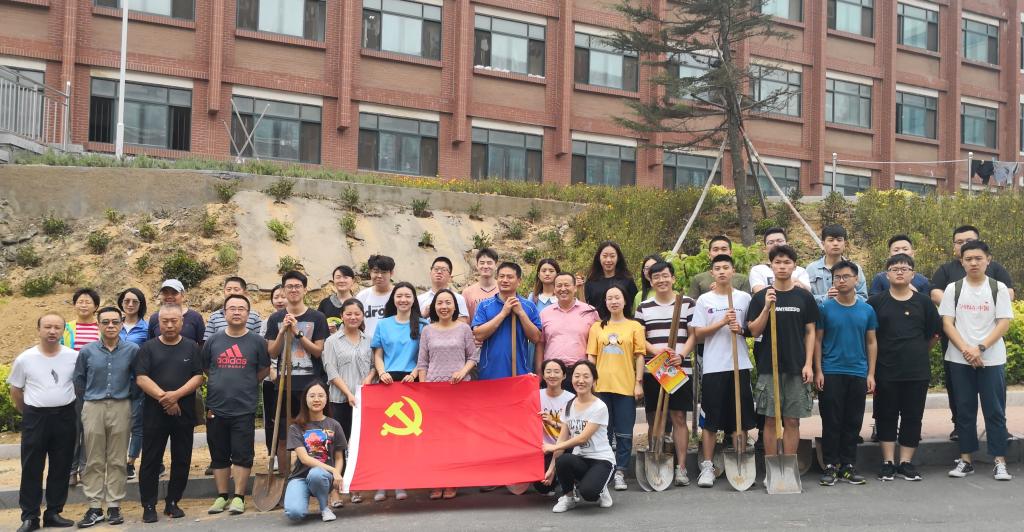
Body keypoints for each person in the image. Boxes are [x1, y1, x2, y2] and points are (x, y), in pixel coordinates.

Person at [930, 225, 1015, 441]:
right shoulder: (947, 271)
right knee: (959, 394)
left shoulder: (995, 272)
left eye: (968, 241)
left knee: (994, 397)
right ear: (956, 250)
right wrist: (957, 304)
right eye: (959, 242)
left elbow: (1008, 296)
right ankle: (961, 431)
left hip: (989, 346)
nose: (973, 261)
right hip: (957, 344)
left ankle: (999, 434)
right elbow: (936, 293)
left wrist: (980, 346)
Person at [869, 254, 941, 482]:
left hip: (916, 371)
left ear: (913, 274)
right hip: (885, 370)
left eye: (905, 268)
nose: (899, 272)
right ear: (886, 274)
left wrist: (917, 351)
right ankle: (888, 462)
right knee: (885, 415)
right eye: (894, 268)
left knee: (913, 416)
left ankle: (906, 462)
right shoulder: (876, 302)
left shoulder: (924, 302)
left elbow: (934, 335)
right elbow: (870, 337)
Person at [746, 245, 819, 464]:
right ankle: (772, 465)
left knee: (792, 420)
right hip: (769, 366)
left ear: (794, 266)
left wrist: (808, 364)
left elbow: (810, 332)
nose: (782, 266)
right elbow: (753, 331)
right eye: (777, 262)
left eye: (787, 262)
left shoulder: (804, 297)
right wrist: (766, 307)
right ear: (771, 266)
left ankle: (788, 466)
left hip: (796, 366)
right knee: (770, 420)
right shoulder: (760, 297)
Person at [134, 304, 204, 523]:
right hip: (154, 413)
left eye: (174, 321)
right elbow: (141, 378)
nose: (170, 325)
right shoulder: (148, 348)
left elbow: (198, 376)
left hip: (184, 412)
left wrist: (176, 396)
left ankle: (173, 501)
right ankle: (148, 505)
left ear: (182, 322)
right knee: (151, 459)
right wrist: (165, 398)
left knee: (182, 458)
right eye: (165, 321)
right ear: (158, 323)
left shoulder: (191, 347)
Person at [8, 313, 78, 532]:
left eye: (57, 327)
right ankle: (30, 516)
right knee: (32, 467)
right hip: (35, 418)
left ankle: (54, 512)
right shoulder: (25, 358)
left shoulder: (73, 357)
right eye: (47, 327)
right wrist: (28, 412)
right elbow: (16, 390)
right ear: (38, 329)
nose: (52, 331)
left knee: (61, 465)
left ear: (63, 331)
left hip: (65, 417)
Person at [202, 294, 271, 515]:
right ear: (224, 313)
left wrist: (247, 382)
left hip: (244, 406)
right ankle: (222, 496)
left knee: (243, 453)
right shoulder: (213, 341)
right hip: (216, 406)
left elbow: (264, 369)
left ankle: (239, 497)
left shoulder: (257, 342)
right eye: (232, 308)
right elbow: (206, 367)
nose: (237, 312)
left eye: (241, 308)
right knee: (219, 453)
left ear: (248, 314)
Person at [690, 254, 755, 488]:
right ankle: (707, 467)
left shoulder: (744, 298)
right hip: (714, 367)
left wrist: (741, 328)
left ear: (733, 271)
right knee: (710, 421)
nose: (721, 271)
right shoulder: (704, 300)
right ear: (712, 273)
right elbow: (697, 334)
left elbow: (752, 328)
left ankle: (740, 461)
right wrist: (721, 322)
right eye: (717, 268)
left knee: (740, 419)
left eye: (726, 267)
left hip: (739, 365)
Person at [73, 307, 139, 528]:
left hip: (121, 406)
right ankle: (94, 506)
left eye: (115, 322)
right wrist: (88, 402)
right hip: (93, 406)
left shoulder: (132, 350)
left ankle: (113, 505)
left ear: (121, 324)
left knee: (117, 458)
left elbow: (138, 378)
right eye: (105, 322)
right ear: (98, 325)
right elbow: (79, 380)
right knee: (93, 458)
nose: (110, 326)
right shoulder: (87, 351)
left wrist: (130, 398)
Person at [814, 261, 878, 486]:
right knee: (831, 420)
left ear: (856, 279)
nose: (841, 281)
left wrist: (871, 374)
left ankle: (848, 465)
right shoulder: (825, 308)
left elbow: (871, 342)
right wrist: (818, 370)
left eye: (846, 276)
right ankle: (831, 465)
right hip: (831, 371)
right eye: (837, 277)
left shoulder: (867, 310)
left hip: (858, 372)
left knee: (853, 421)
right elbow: (817, 340)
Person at [634, 260, 696, 486]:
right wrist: (657, 352)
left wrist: (681, 355)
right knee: (655, 418)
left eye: (665, 276)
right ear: (650, 281)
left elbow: (693, 334)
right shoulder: (644, 307)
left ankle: (681, 468)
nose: (661, 280)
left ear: (673, 278)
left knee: (679, 417)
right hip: (655, 369)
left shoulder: (686, 303)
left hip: (679, 368)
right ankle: (657, 461)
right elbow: (640, 339)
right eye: (656, 277)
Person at [366, 281, 428, 502]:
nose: (403, 300)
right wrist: (381, 372)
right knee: (386, 437)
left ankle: (401, 481)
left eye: (408, 296)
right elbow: (378, 354)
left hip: (412, 382)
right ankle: (382, 483)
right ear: (393, 299)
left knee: (406, 437)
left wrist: (415, 372)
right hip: (387, 383)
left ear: (414, 299)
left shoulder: (423, 324)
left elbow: (424, 355)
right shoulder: (383, 324)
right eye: (399, 296)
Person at [416, 289, 478, 500]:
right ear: (434, 307)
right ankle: (436, 480)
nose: (444, 306)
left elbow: (473, 357)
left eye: (448, 302)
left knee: (455, 438)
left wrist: (462, 371)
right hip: (434, 391)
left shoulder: (464, 329)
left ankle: (452, 480)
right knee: (435, 438)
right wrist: (423, 388)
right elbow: (422, 363)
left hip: (459, 391)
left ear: (455, 306)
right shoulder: (427, 331)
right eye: (440, 303)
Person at [266, 271, 330, 473]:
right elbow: (272, 352)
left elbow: (318, 351)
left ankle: (313, 475)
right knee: (283, 436)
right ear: (284, 290)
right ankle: (285, 479)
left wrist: (298, 333)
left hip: (311, 386)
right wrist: (282, 332)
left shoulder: (317, 317)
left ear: (305, 290)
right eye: (289, 286)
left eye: (297, 286)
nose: (293, 290)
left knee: (313, 434)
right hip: (284, 386)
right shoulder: (275, 318)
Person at [587, 284, 645, 491]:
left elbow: (640, 356)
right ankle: (605, 470)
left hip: (626, 386)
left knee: (624, 433)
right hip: (601, 386)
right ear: (605, 302)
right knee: (603, 432)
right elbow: (591, 356)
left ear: (625, 300)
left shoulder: (634, 326)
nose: (613, 301)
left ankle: (621, 471)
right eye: (609, 298)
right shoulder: (597, 327)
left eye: (617, 297)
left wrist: (638, 383)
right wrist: (591, 382)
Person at [544, 360, 614, 513]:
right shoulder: (569, 405)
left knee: (589, 494)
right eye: (577, 376)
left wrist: (553, 447)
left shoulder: (600, 407)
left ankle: (601, 488)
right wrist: (551, 469)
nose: (580, 380)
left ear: (594, 380)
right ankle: (569, 498)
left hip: (601, 460)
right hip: (581, 459)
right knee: (563, 460)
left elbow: (582, 438)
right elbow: (562, 438)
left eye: (586, 376)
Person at [322, 298, 372, 504]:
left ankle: (355, 486)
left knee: (359, 444)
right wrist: (349, 394)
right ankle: (335, 490)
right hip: (340, 400)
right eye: (348, 314)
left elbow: (374, 366)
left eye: (357, 314)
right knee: (338, 445)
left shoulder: (368, 340)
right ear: (341, 316)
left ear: (362, 316)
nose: (353, 317)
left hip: (363, 401)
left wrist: (367, 381)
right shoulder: (332, 341)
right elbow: (331, 370)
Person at [282, 382, 347, 523]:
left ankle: (324, 508)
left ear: (326, 399)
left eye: (320, 396)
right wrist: (334, 470)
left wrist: (336, 474)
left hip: (324, 477)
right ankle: (301, 496)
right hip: (300, 477)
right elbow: (305, 459)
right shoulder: (295, 428)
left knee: (317, 473)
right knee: (294, 513)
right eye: (312, 396)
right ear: (305, 400)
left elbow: (339, 457)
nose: (316, 399)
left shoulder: (334, 425)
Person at [472, 262, 542, 380]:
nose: (505, 280)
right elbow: (478, 335)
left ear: (519, 281)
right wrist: (503, 313)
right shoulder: (484, 305)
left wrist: (521, 313)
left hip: (519, 372)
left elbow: (536, 338)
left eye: (510, 277)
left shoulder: (529, 306)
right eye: (501, 276)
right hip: (490, 372)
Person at [62, 287, 100, 488]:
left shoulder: (101, 327)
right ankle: (71, 470)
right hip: (72, 386)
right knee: (73, 429)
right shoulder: (66, 328)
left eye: (88, 301)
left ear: (96, 306)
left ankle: (86, 469)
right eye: (80, 301)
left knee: (90, 431)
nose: (83, 305)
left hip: (96, 386)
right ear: (75, 304)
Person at [536, 272, 599, 377]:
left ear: (575, 288)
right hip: (552, 372)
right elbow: (540, 344)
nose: (563, 289)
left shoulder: (589, 311)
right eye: (559, 285)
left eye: (567, 285)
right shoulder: (545, 313)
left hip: (580, 372)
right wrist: (539, 371)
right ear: (554, 289)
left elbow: (598, 342)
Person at [118, 288, 150, 480]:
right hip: (115, 381)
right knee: (118, 424)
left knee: (137, 423)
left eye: (135, 301)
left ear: (141, 304)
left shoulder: (146, 328)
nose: (130, 304)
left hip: (138, 380)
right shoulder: (114, 324)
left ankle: (130, 462)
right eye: (126, 301)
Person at [537, 359, 574, 496]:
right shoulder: (535, 395)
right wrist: (527, 381)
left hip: (566, 447)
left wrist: (553, 422)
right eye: (548, 372)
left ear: (564, 376)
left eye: (556, 372)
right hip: (543, 448)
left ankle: (567, 481)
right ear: (543, 375)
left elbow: (572, 431)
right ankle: (556, 477)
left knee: (565, 461)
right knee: (542, 487)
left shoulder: (572, 399)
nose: (552, 375)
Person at [806, 225, 868, 304]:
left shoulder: (855, 268)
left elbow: (863, 297)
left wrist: (845, 296)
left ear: (845, 243)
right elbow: (805, 298)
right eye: (831, 240)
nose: (835, 243)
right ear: (823, 243)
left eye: (839, 240)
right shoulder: (812, 269)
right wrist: (826, 297)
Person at [260, 285, 287, 463]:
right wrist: (270, 369)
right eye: (276, 297)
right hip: (272, 378)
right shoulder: (267, 322)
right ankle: (273, 455)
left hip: (293, 376)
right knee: (272, 419)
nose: (279, 300)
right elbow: (263, 349)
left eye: (283, 296)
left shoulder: (301, 318)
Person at [749, 228, 811, 293]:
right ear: (765, 248)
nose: (775, 244)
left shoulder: (800, 271)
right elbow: (759, 293)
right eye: (771, 242)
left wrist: (797, 282)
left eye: (780, 241)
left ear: (787, 243)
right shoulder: (758, 270)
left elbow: (808, 293)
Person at [583, 241, 639, 314]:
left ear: (618, 258)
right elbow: (585, 307)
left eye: (612, 256)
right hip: (597, 321)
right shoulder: (591, 281)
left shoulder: (627, 280)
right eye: (605, 256)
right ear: (599, 257)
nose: (608, 260)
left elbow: (635, 305)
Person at [147, 279, 206, 344]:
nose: (169, 296)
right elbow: (150, 343)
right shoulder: (154, 318)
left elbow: (202, 345)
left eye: (174, 293)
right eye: (165, 293)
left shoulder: (195, 317)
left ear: (183, 295)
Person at [417, 256, 469, 322]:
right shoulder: (420, 299)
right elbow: (413, 323)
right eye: (436, 269)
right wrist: (423, 315)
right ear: (430, 273)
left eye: (443, 270)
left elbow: (463, 322)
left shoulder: (458, 298)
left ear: (450, 277)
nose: (439, 272)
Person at [356, 255, 396, 338]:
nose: (379, 275)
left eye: (384, 272)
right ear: (370, 272)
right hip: (367, 343)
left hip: (393, 343)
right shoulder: (362, 296)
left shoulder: (399, 295)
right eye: (376, 271)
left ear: (391, 273)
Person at [462, 248, 500, 322]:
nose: (485, 266)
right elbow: (465, 322)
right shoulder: (467, 292)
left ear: (496, 265)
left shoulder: (503, 289)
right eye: (482, 263)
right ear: (477, 266)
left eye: (489, 263)